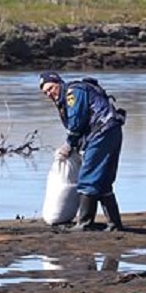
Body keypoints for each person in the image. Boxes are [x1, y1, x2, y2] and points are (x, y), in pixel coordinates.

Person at [39, 71, 125, 232]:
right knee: (104, 180)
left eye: (50, 88)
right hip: (111, 131)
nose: (49, 94)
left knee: (88, 178)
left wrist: (69, 145)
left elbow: (77, 122)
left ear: (58, 82)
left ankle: (85, 223)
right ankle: (114, 224)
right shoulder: (75, 92)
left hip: (102, 133)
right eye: (45, 93)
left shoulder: (73, 92)